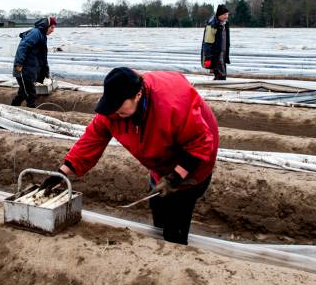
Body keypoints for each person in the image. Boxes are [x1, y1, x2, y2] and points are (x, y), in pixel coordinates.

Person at [41, 67, 219, 245]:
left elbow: (200, 145)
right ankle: (162, 242)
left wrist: (175, 177)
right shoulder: (113, 110)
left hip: (194, 160)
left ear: (138, 95)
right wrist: (62, 173)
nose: (115, 113)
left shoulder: (172, 104)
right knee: (158, 204)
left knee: (177, 213)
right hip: (159, 160)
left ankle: (175, 248)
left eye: (120, 108)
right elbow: (92, 140)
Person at [11, 16, 56, 107]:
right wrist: (18, 65)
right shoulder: (35, 33)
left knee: (23, 93)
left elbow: (42, 57)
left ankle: (12, 108)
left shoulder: (42, 36)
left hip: (31, 70)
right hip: (24, 70)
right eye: (52, 27)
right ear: (46, 25)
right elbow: (23, 47)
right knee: (30, 95)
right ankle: (32, 113)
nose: (53, 30)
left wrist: (45, 71)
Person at [200, 4, 231, 80]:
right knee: (220, 74)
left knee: (222, 74)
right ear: (219, 15)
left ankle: (221, 84)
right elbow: (207, 43)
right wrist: (208, 58)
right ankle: (219, 86)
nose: (226, 16)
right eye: (224, 14)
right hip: (215, 54)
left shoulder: (224, 24)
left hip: (222, 53)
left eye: (227, 14)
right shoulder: (212, 25)